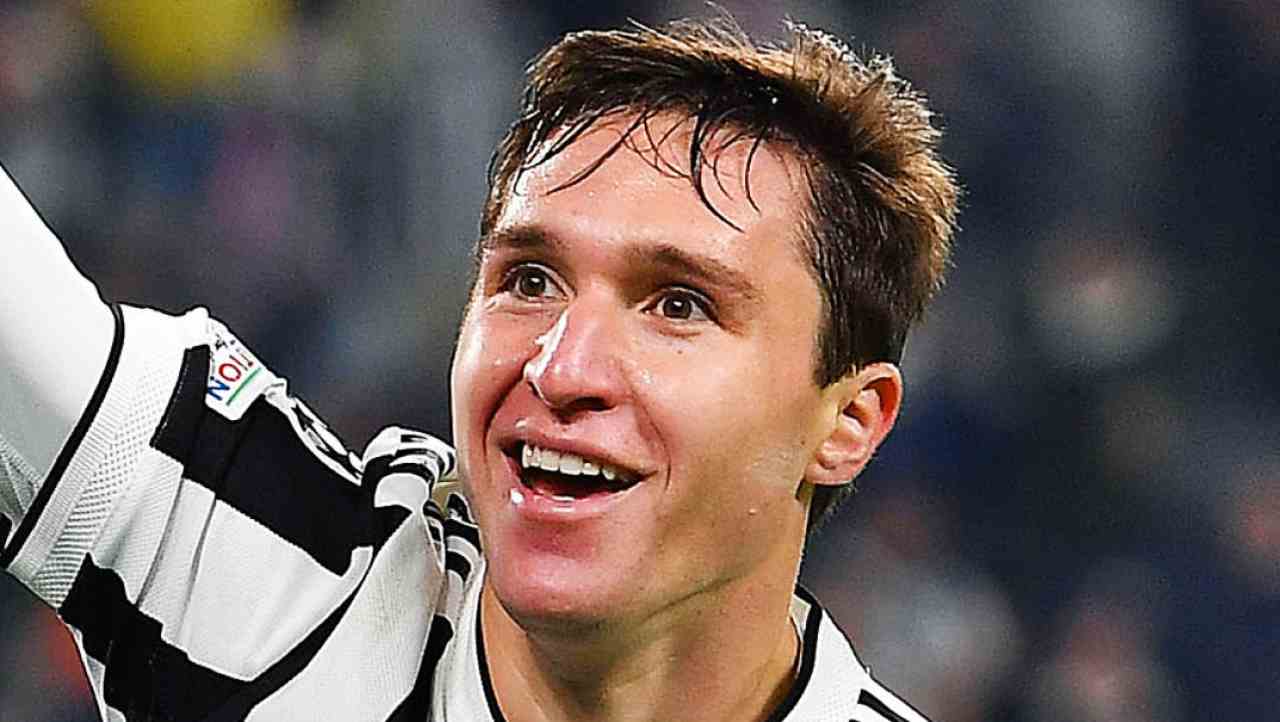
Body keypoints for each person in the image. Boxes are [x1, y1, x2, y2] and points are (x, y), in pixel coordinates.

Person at [0, 16, 956, 722]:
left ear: (849, 421)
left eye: (678, 305)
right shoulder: (275, 581)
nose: (563, 368)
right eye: (529, 280)